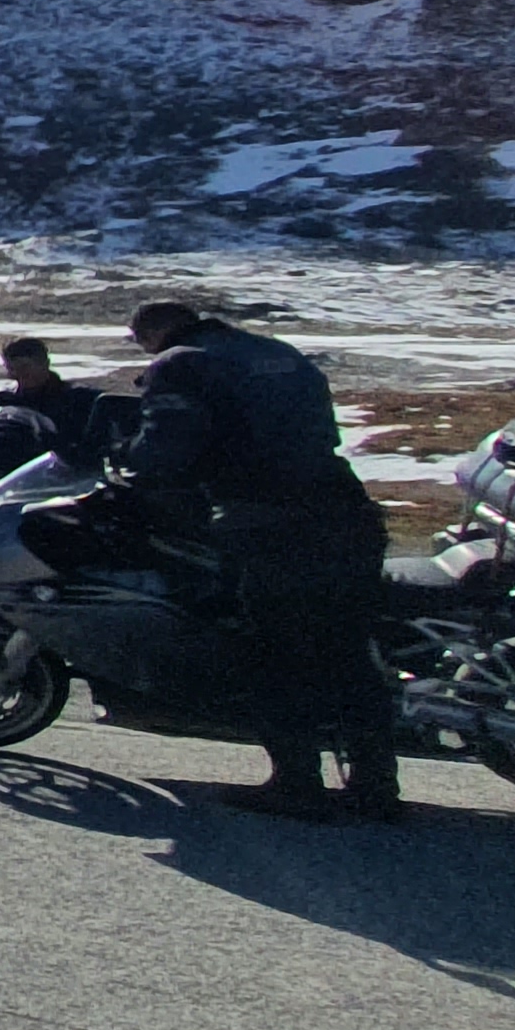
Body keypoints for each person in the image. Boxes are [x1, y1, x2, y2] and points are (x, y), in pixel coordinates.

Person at [119, 299, 396, 822]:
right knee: (348, 650)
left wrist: (125, 460)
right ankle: (375, 785)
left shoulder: (179, 363)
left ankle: (296, 782)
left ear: (150, 333)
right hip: (344, 508)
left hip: (269, 518)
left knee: (276, 650)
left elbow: (163, 448)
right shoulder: (277, 352)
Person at [0, 337, 121, 472]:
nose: (18, 374)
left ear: (45, 364)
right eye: (11, 368)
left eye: (25, 367)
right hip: (14, 475)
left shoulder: (82, 399)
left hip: (69, 474)